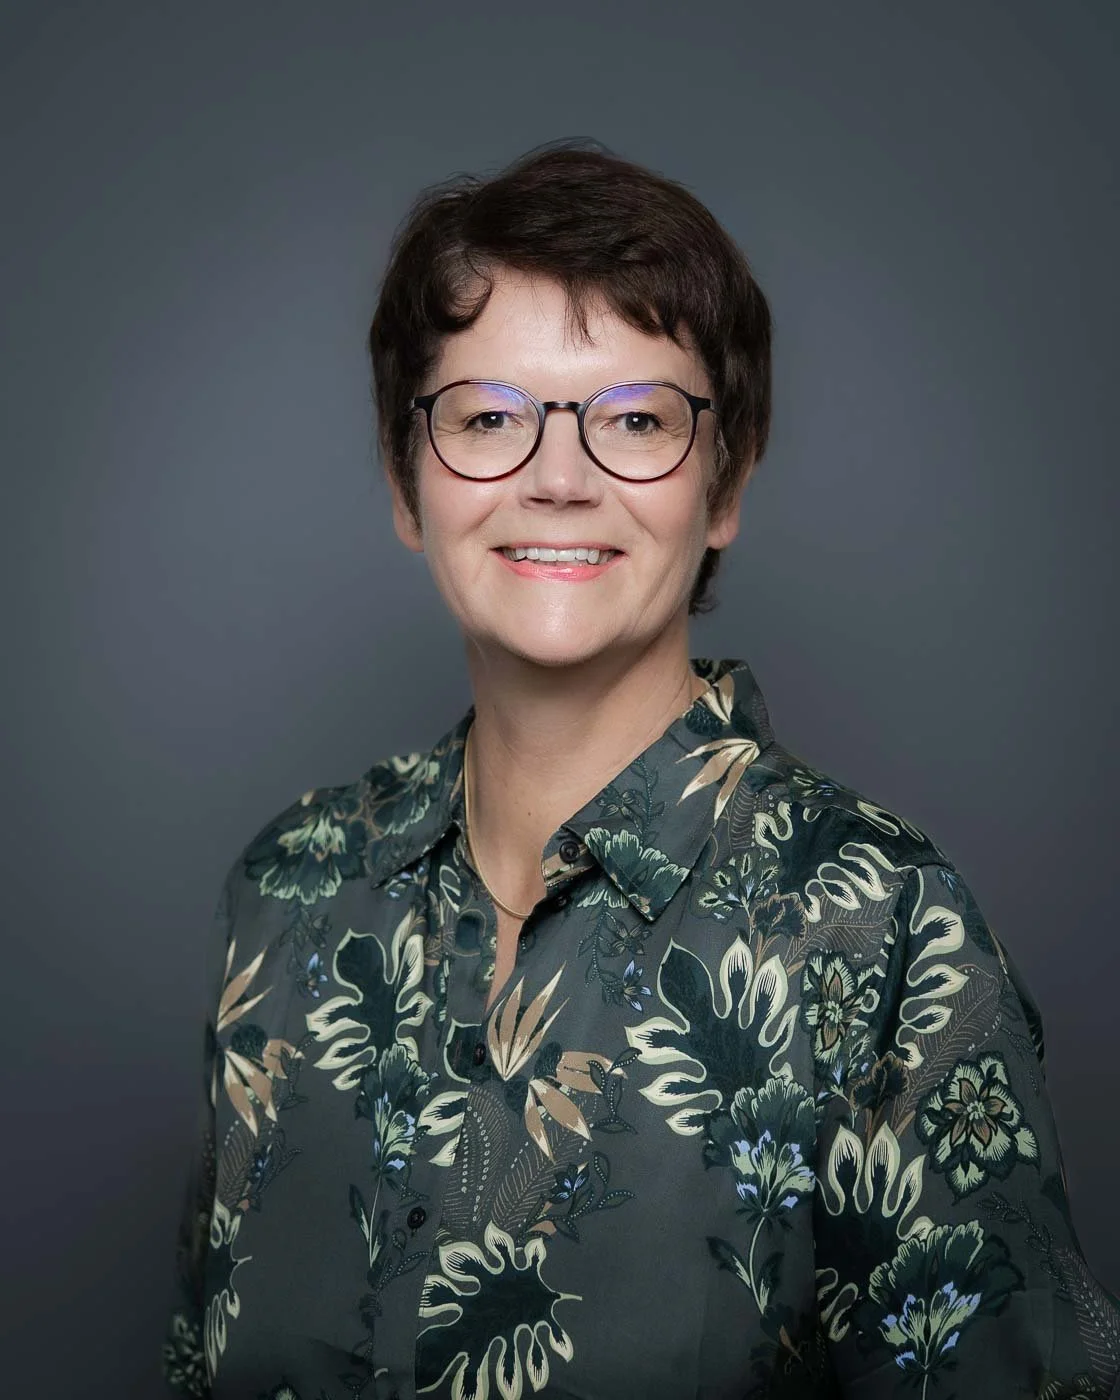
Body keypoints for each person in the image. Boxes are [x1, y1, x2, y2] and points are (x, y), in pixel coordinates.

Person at [162, 141, 1120, 1400]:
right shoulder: (288, 887)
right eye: (489, 416)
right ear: (407, 480)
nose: (558, 478)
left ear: (724, 481)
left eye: (635, 420)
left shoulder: (881, 929)